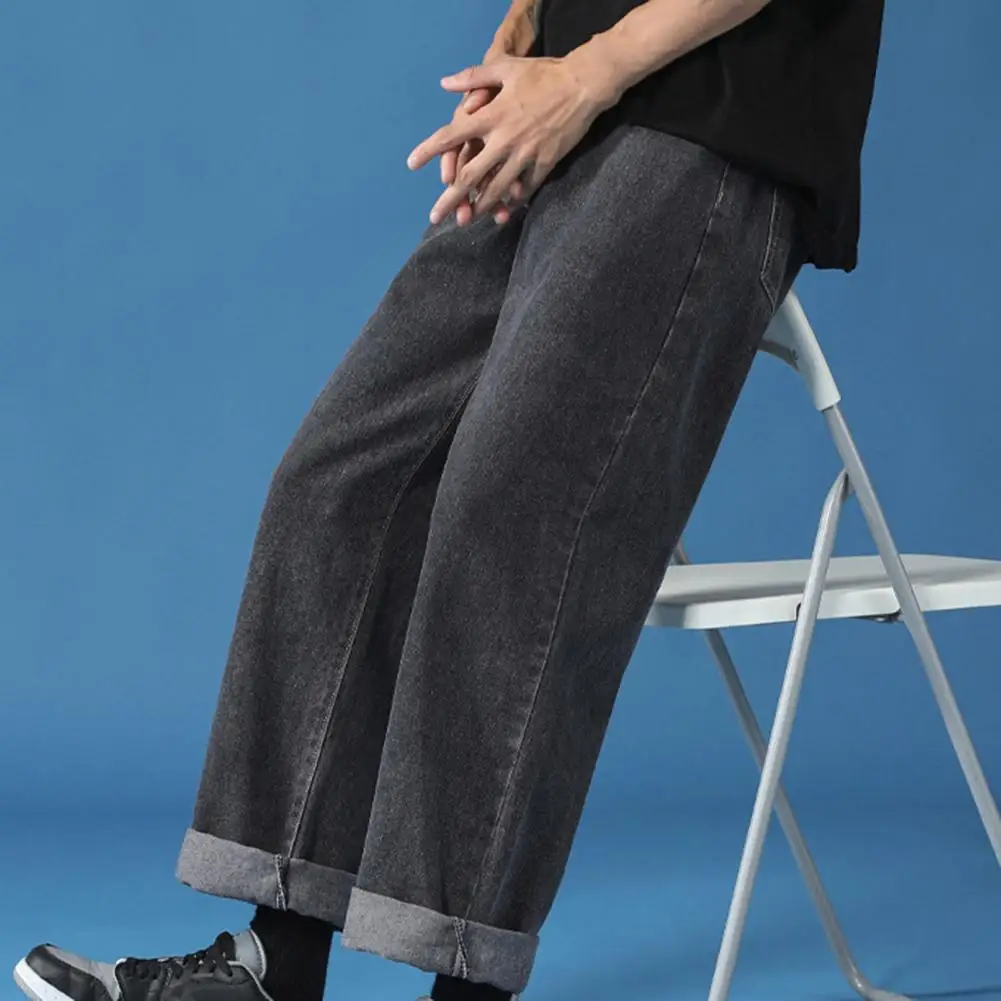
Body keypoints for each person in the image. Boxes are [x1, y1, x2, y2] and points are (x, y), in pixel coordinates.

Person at [12, 0, 884, 1000]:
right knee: (338, 487)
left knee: (509, 514)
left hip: (709, 119)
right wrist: (528, 27)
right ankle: (274, 962)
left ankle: (466, 985)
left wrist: (589, 71)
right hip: (564, 100)